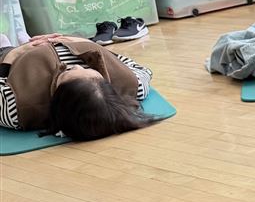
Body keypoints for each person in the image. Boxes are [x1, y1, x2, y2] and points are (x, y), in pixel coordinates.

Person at [0, 33, 155, 140]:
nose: (77, 66)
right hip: (66, 43)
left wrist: (14, 54)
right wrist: (72, 40)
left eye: (67, 73)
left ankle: (6, 46)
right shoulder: (132, 84)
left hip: (22, 60)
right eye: (88, 69)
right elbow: (123, 62)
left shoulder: (16, 109)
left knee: (4, 46)